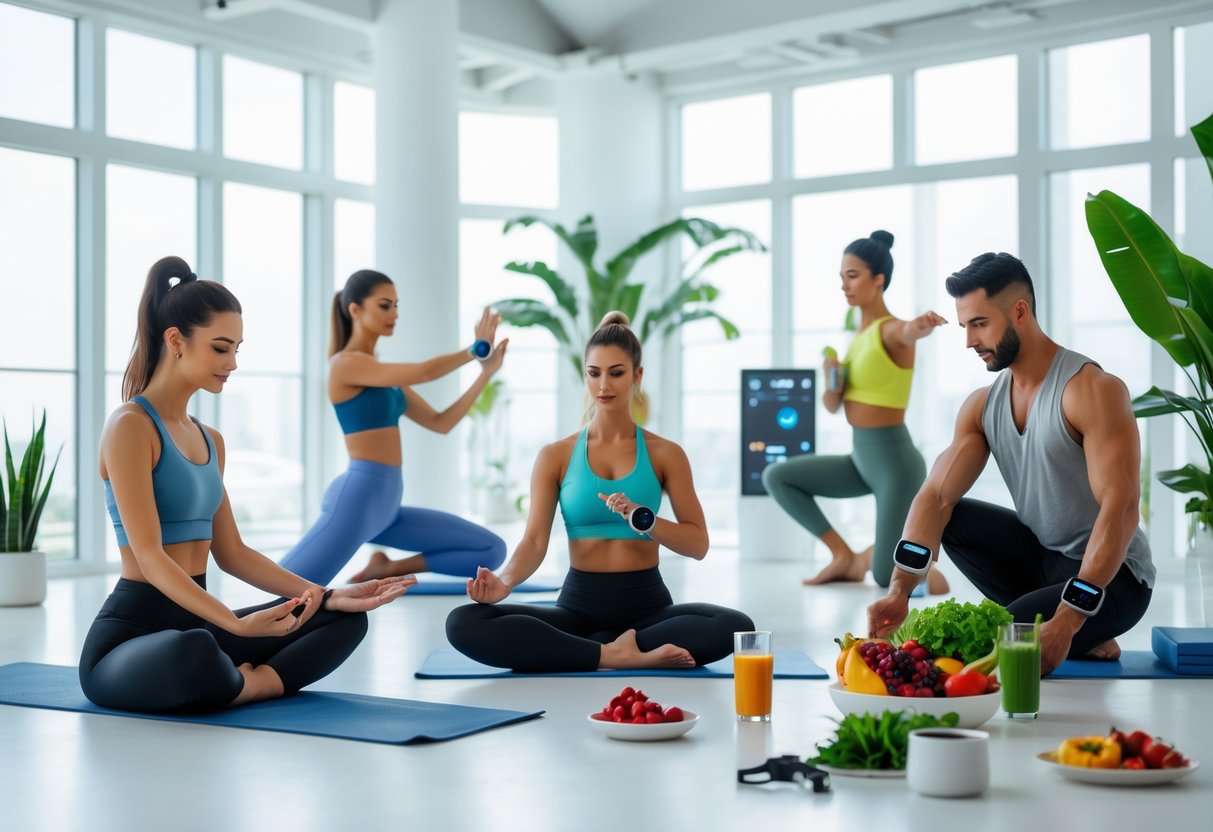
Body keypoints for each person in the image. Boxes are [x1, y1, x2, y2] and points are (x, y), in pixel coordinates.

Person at [81, 257, 411, 714]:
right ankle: (245, 683)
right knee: (194, 649)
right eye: (220, 348)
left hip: (201, 625)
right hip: (132, 641)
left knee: (341, 620)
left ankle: (253, 684)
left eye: (237, 348)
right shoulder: (130, 427)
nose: (232, 362)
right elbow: (151, 557)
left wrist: (324, 594)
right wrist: (237, 628)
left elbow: (232, 553)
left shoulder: (210, 439)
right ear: (176, 341)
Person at [867, 252, 1154, 675]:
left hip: (1117, 579)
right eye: (964, 326)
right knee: (956, 516)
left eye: (979, 323)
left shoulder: (1091, 390)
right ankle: (1062, 626)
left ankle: (1074, 624)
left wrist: (1069, 619)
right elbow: (936, 497)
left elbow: (1122, 507)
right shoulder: (983, 405)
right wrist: (900, 590)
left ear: (1019, 312)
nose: (968, 341)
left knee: (997, 638)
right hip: (1044, 558)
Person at [445, 312, 755, 672]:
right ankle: (614, 655)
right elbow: (533, 542)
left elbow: (697, 544)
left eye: (616, 372)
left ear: (637, 376)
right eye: (594, 373)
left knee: (736, 627)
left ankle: (586, 652)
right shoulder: (555, 456)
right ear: (585, 375)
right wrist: (504, 583)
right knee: (463, 623)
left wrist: (645, 519)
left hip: (649, 612)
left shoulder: (665, 453)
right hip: (577, 609)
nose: (604, 385)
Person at [276, 269, 509, 586]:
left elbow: (442, 423)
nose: (394, 314)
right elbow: (425, 372)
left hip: (387, 505)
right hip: (358, 499)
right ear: (354, 309)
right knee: (284, 590)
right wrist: (473, 350)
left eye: (397, 306)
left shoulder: (385, 380)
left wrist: (485, 372)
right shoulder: (345, 364)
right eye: (385, 305)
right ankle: (222, 630)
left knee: (490, 550)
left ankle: (388, 567)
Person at [762, 230, 949, 590]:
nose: (845, 286)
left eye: (853, 275)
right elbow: (832, 406)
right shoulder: (856, 339)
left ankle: (923, 568)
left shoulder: (890, 330)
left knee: (884, 577)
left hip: (895, 465)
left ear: (878, 280)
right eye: (842, 277)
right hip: (861, 458)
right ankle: (845, 557)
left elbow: (906, 332)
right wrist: (832, 382)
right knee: (777, 476)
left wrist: (920, 325)